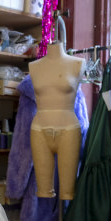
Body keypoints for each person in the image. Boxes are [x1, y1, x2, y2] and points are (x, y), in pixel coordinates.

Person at [28, 41, 84, 201]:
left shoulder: (78, 63)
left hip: (69, 129)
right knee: (43, 190)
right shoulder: (34, 66)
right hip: (39, 130)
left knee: (68, 192)